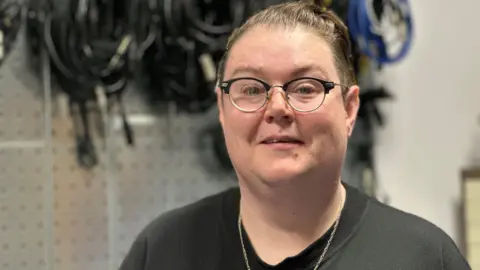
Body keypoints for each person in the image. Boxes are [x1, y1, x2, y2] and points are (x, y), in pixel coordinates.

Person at [119, 1, 471, 269]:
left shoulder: (422, 257)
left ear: (349, 110)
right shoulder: (163, 250)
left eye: (304, 87)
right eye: (251, 89)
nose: (276, 107)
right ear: (223, 110)